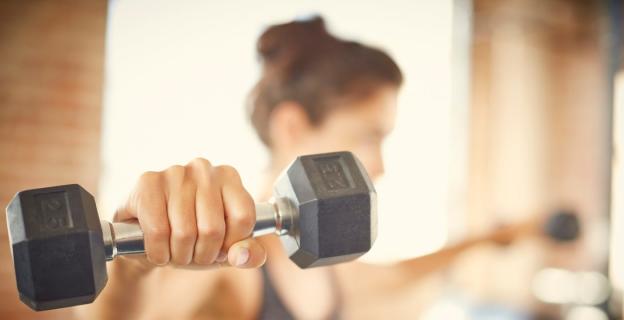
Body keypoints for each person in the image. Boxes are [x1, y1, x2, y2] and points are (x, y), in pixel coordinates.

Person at [77, 16, 542, 320]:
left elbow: (402, 275)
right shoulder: (230, 265)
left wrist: (495, 238)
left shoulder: (321, 264)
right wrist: (132, 267)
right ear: (293, 126)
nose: (379, 165)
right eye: (369, 136)